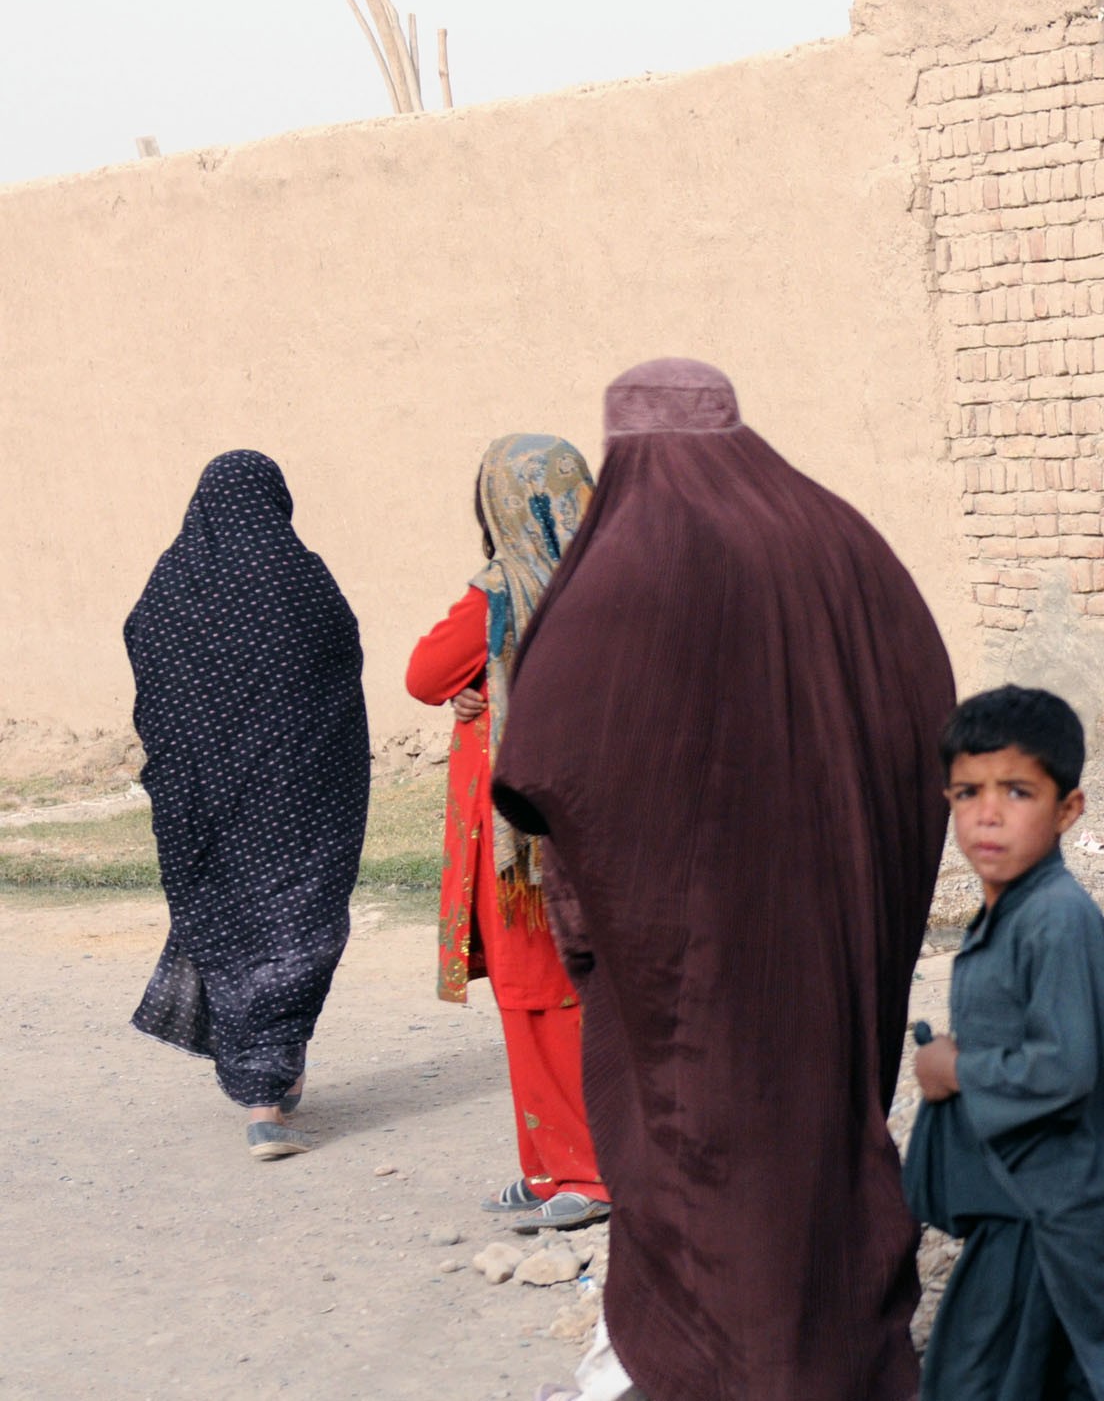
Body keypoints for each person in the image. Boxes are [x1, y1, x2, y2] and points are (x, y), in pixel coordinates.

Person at [491, 359, 954, 1401]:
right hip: (828, 930)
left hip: (697, 961)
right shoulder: (841, 537)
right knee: (827, 1131)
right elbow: (925, 688)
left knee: (716, 1170)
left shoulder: (630, 563)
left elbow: (546, 751)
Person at [905, 686, 1104, 1401]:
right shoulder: (1007, 911)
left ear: (1068, 809)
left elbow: (1067, 1065)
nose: (987, 814)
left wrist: (959, 1068)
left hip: (1056, 1207)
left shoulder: (1058, 920)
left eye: (1017, 791)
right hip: (1020, 1199)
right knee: (1058, 1374)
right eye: (967, 793)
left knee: (998, 1374)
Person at [124, 450, 370, 1160]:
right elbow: (340, 656)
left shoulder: (171, 584)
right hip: (301, 795)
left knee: (226, 920)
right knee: (298, 923)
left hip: (201, 799)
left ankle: (266, 1081)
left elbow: (146, 656)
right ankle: (270, 1088)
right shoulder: (300, 578)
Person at [406, 434, 609, 1231]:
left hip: (526, 841)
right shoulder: (612, 579)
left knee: (539, 996)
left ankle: (581, 1172)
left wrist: (475, 685)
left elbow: (425, 674)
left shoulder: (501, 590)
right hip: (603, 823)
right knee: (585, 992)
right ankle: (551, 1164)